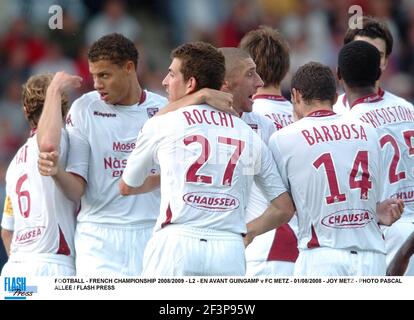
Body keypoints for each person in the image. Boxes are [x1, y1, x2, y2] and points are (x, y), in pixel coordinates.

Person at [37, 33, 230, 276]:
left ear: (129, 68)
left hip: (151, 232)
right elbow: (77, 189)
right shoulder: (84, 109)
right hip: (98, 237)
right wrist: (56, 173)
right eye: (94, 75)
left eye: (104, 75)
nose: (96, 84)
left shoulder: (163, 110)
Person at [120, 41, 294, 276]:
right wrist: (247, 231)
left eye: (171, 74)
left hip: (177, 243)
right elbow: (283, 207)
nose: (164, 81)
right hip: (228, 248)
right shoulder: (248, 133)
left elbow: (128, 186)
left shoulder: (163, 123)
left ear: (190, 83)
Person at [246, 62, 404, 276]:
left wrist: (247, 232)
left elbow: (283, 208)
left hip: (322, 257)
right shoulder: (368, 131)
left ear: (295, 95)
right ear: (336, 98)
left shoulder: (284, 138)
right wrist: (374, 211)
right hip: (372, 257)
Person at [337, 40, 414, 275]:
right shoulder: (408, 108)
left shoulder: (347, 125)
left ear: (339, 75)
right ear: (379, 72)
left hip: (386, 235)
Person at [1, 72, 81, 276]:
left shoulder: (14, 164)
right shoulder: (64, 139)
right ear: (63, 109)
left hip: (16, 268)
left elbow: (6, 231)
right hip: (53, 262)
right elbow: (47, 143)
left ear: (25, 110)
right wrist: (55, 90)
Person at [239, 26, 299, 276]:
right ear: (285, 69)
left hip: (260, 244)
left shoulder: (243, 117)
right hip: (303, 243)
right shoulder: (303, 117)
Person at [333, 16, 403, 114]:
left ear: (385, 62)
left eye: (377, 55)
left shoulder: (404, 111)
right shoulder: (332, 111)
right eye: (359, 52)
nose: (368, 60)